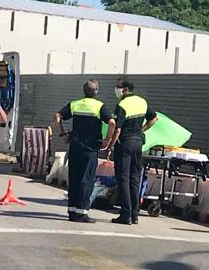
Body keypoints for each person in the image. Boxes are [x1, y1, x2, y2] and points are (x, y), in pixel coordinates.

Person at [54, 80, 115, 223]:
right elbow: (112, 123)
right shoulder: (99, 106)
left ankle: (72, 211)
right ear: (96, 91)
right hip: (90, 148)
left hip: (75, 146)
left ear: (84, 90)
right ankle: (81, 212)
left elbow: (57, 116)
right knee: (86, 180)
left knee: (74, 178)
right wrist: (107, 140)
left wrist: (63, 134)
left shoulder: (75, 104)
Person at [105, 76, 158, 225]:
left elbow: (117, 129)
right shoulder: (142, 101)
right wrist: (141, 130)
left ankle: (125, 214)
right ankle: (135, 214)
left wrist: (109, 146)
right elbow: (154, 119)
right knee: (135, 179)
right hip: (137, 143)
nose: (116, 89)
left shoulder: (122, 104)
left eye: (118, 86)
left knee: (123, 179)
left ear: (126, 89)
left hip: (125, 144)